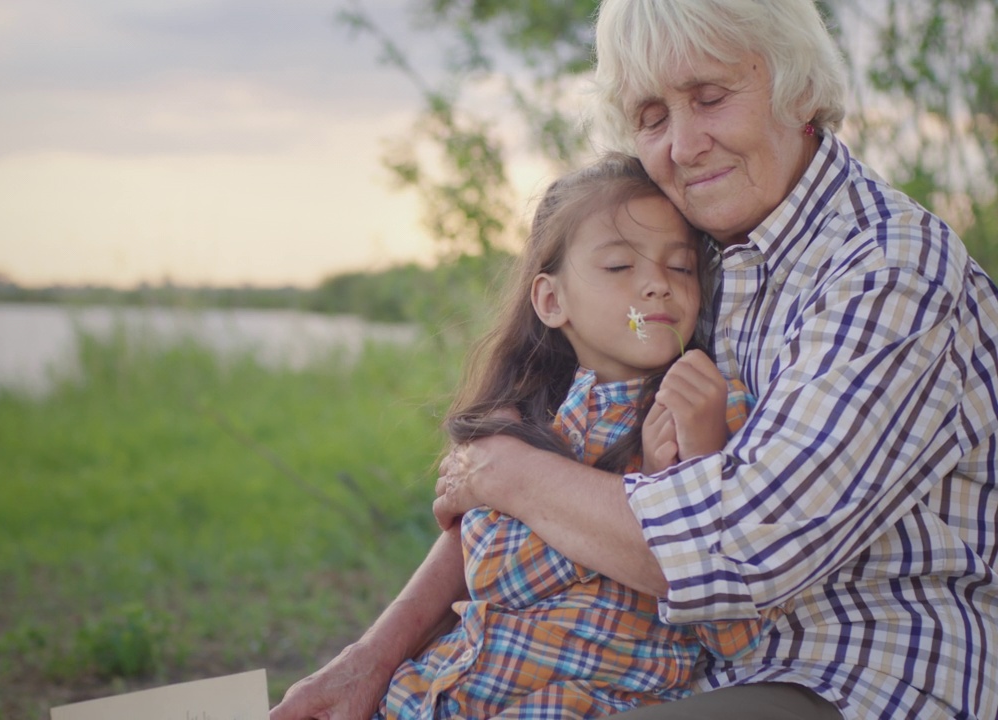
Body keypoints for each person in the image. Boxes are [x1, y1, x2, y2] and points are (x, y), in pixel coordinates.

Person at [272, 0, 998, 718]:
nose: (683, 145)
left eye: (710, 97)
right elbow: (557, 478)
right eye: (652, 118)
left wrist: (506, 470)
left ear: (796, 87)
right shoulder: (685, 255)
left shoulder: (888, 267)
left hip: (864, 675)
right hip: (685, 673)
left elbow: (741, 549)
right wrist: (371, 658)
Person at [376, 153, 779, 719]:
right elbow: (496, 573)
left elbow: (735, 637)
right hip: (442, 690)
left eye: (681, 268)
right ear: (551, 300)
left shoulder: (717, 407)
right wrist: (630, 506)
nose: (658, 287)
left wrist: (690, 467)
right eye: (619, 267)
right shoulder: (526, 425)